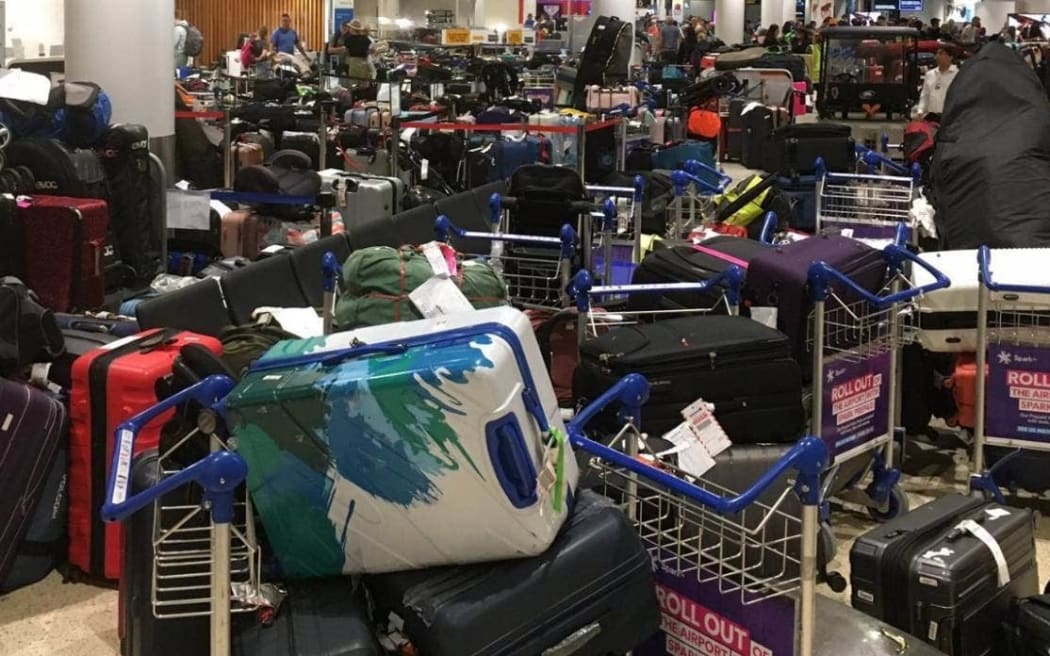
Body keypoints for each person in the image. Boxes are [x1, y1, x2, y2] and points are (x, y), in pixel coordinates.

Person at [914, 46, 958, 121]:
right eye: (937, 53)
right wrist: (920, 111)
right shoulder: (930, 74)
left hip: (949, 116)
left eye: (941, 54)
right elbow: (925, 95)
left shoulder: (957, 75)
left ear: (950, 57)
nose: (937, 56)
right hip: (931, 116)